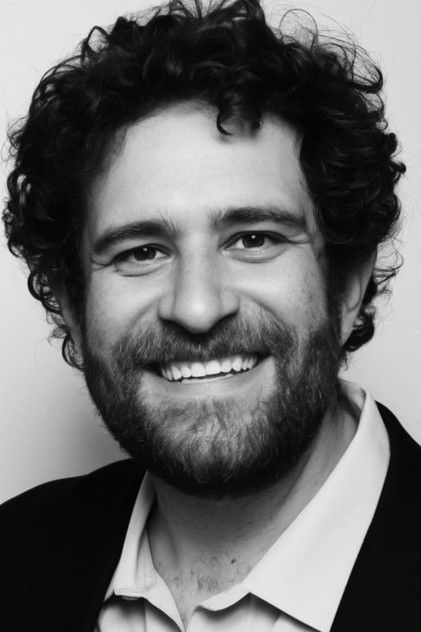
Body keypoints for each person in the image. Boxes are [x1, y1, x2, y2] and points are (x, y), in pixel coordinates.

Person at [1, 0, 419, 630]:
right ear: (73, 308)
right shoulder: (11, 557)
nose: (197, 309)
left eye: (254, 238)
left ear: (347, 288)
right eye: (141, 251)